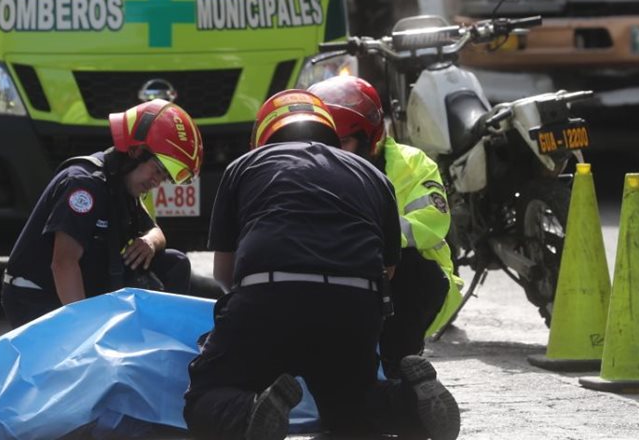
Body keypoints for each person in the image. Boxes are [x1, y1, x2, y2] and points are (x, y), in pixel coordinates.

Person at [184, 89, 460, 440]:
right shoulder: (374, 175)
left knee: (206, 395)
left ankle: (250, 412)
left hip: (269, 296)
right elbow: (388, 270)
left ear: (264, 137)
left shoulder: (245, 166)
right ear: (330, 132)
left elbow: (226, 273)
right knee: (347, 406)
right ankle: (411, 406)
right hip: (354, 306)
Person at [309, 76, 464, 377]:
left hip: (397, 275)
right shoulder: (306, 164)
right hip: (327, 271)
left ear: (371, 137)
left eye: (342, 142)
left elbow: (432, 221)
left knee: (418, 270)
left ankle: (400, 366)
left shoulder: (412, 164)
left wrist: (371, 243)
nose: (331, 151)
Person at [1, 98, 202, 329]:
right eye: (157, 171)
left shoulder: (122, 185)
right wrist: (87, 333)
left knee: (174, 264)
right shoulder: (85, 185)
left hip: (81, 284)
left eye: (164, 177)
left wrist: (148, 242)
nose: (157, 182)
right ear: (135, 151)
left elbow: (155, 231)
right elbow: (64, 263)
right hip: (36, 297)